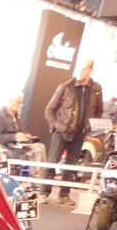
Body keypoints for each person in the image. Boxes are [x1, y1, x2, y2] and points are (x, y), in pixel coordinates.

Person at [40, 58, 103, 206]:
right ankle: (44, 193)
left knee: (72, 165)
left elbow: (99, 111)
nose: (80, 72)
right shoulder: (66, 86)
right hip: (61, 132)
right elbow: (49, 110)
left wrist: (89, 127)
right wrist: (56, 126)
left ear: (91, 70)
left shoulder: (96, 89)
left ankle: (64, 194)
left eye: (84, 69)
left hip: (80, 134)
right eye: (78, 68)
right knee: (52, 162)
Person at [0, 93, 46, 167]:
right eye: (18, 102)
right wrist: (14, 137)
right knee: (37, 149)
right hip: (7, 147)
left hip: (17, 145)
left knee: (41, 146)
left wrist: (25, 136)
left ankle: (41, 173)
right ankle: (37, 174)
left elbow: (18, 132)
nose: (21, 105)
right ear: (10, 101)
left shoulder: (16, 116)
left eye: (21, 102)